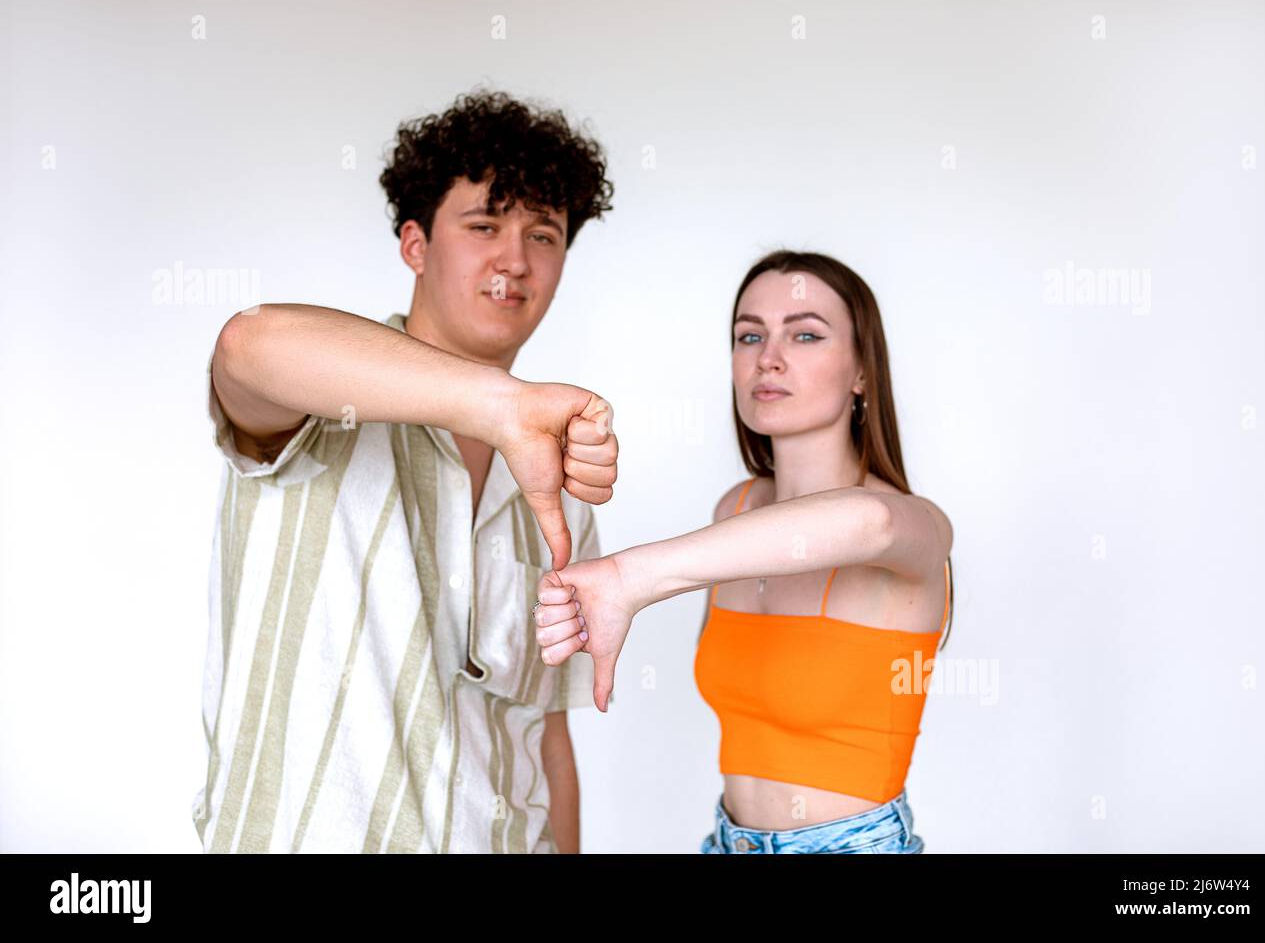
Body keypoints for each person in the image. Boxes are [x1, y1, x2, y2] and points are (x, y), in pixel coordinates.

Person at [194, 89, 619, 853]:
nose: (514, 260)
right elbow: (244, 347)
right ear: (415, 244)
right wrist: (500, 406)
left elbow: (545, 730)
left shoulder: (558, 489)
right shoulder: (320, 399)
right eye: (484, 225)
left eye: (544, 234)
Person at [532, 250, 955, 854]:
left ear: (862, 371)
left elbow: (872, 522)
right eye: (749, 335)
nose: (768, 357)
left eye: (805, 334)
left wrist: (634, 577)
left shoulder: (911, 532)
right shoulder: (735, 510)